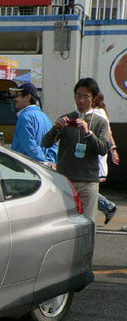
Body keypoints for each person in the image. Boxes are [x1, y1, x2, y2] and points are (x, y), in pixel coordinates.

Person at [43, 77, 112, 225]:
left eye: (86, 96)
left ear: (93, 98)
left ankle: (87, 249)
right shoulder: (66, 119)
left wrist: (88, 133)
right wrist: (56, 128)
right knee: (65, 222)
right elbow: (46, 143)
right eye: (78, 95)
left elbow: (103, 148)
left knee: (87, 223)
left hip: (88, 182)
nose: (81, 100)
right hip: (66, 180)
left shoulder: (100, 122)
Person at [9, 82, 58, 164]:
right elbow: (53, 145)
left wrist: (43, 162)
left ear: (28, 97)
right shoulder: (45, 117)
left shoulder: (24, 117)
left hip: (25, 167)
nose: (15, 99)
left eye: (17, 95)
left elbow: (29, 144)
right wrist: (50, 163)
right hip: (42, 170)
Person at [92, 92, 120, 224]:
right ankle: (107, 207)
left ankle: (108, 206)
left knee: (86, 188)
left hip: (94, 156)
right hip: (93, 156)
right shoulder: (98, 112)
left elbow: (108, 133)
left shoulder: (98, 113)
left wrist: (113, 150)